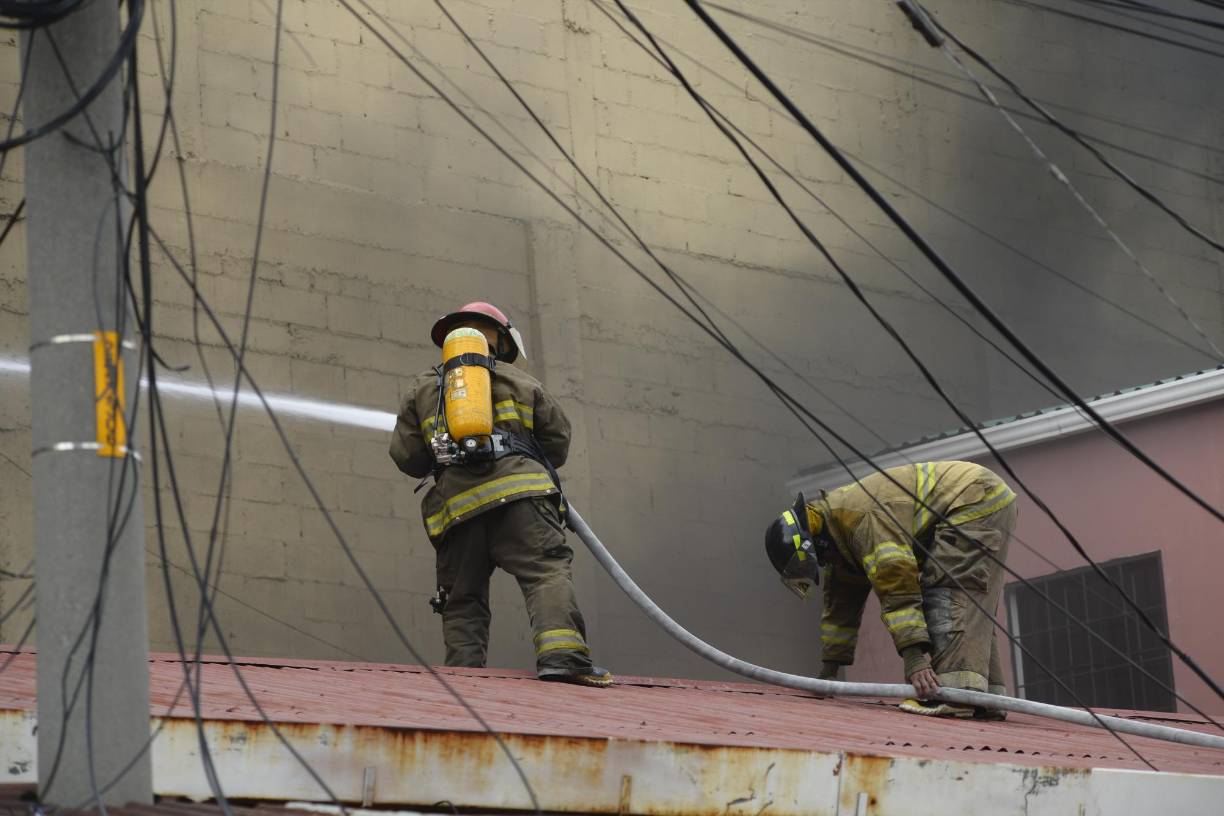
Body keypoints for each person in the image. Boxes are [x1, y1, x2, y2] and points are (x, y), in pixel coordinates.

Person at [390, 301, 612, 687]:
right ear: (502, 339)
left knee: (462, 601)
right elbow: (557, 442)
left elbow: (407, 457)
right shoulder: (520, 382)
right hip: (521, 499)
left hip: (457, 511)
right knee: (544, 573)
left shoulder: (424, 388)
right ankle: (563, 658)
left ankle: (462, 678)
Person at [763, 461, 1016, 717]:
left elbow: (898, 588)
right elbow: (841, 606)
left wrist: (914, 660)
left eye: (820, 556)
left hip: (972, 499)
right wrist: (828, 672)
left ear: (817, 540)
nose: (825, 562)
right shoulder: (839, 528)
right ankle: (987, 699)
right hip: (984, 496)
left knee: (946, 591)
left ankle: (956, 696)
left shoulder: (863, 519)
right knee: (970, 604)